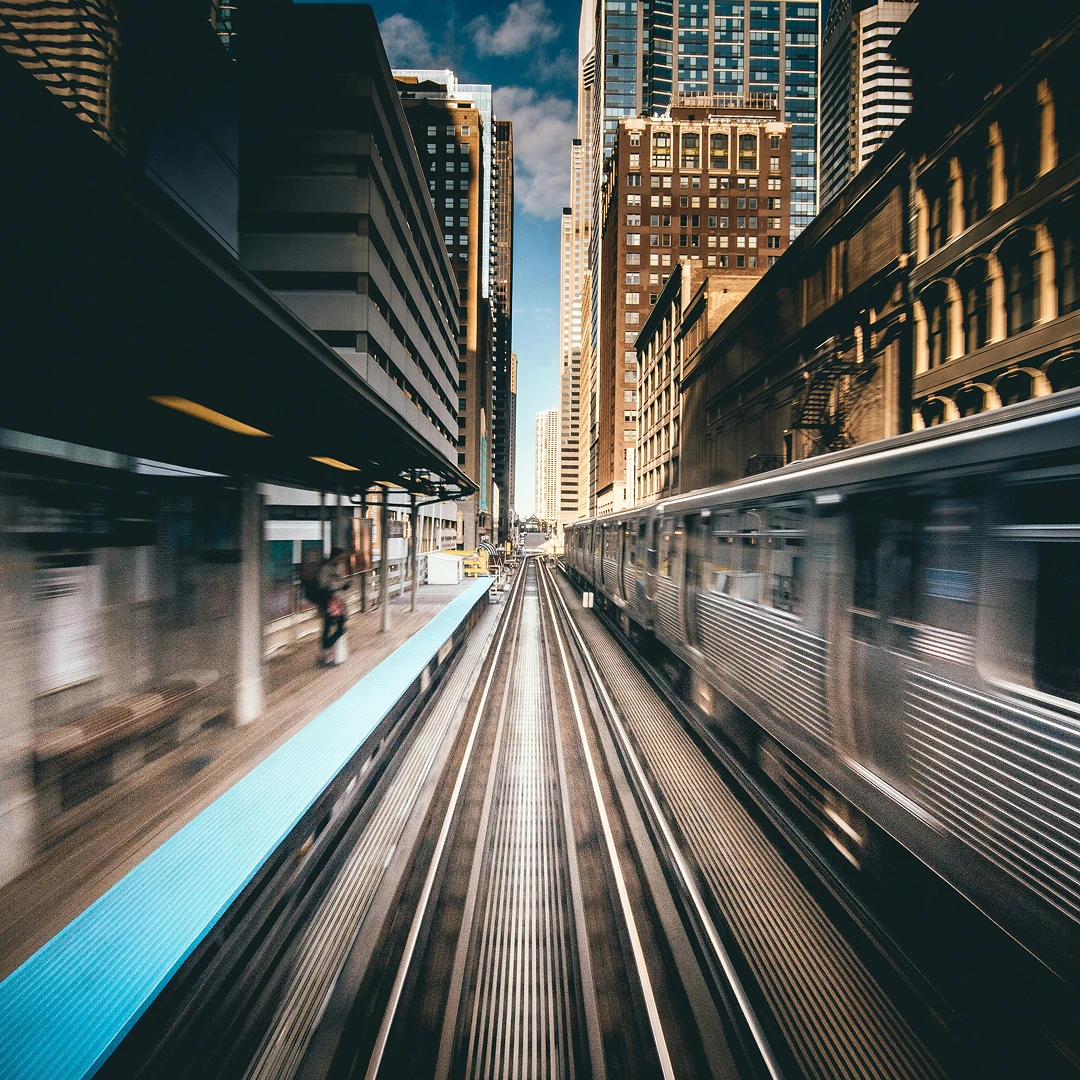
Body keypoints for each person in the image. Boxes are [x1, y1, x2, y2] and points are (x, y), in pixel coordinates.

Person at [317, 548, 350, 667]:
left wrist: (343, 585)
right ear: (335, 557)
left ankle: (325, 655)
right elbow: (324, 586)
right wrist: (340, 585)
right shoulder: (326, 569)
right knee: (336, 629)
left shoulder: (336, 567)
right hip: (330, 604)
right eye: (340, 557)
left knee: (329, 629)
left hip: (337, 603)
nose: (342, 560)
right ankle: (325, 652)